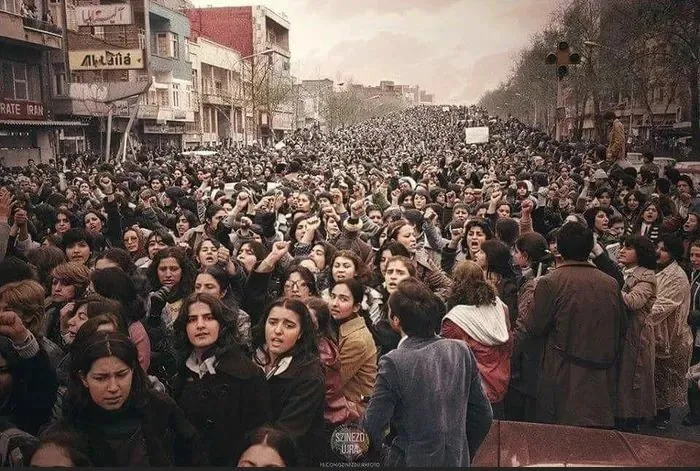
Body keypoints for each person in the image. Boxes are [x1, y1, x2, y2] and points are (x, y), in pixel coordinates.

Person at [363, 278, 493, 467]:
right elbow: (482, 415)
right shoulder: (460, 350)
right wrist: (461, 452)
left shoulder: (394, 362)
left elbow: (372, 427)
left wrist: (389, 458)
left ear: (396, 320)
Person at [46, 331, 208, 466]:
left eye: (121, 375)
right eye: (101, 378)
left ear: (132, 370)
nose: (113, 387)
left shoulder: (161, 408)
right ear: (83, 378)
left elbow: (194, 455)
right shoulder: (70, 426)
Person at [525, 221, 626, 428]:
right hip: (603, 374)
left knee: (561, 436)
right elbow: (621, 328)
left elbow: (535, 326)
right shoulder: (610, 283)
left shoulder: (550, 281)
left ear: (560, 248)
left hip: (562, 374)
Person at [173, 293, 270, 465]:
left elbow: (258, 434)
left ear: (222, 324)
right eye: (192, 320)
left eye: (209, 318)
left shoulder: (247, 374)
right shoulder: (183, 373)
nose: (200, 325)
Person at [251, 298, 325, 465]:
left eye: (289, 325)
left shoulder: (310, 376)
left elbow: (288, 432)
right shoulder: (252, 360)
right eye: (272, 322)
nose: (277, 331)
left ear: (301, 333)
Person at [442, 260, 512, 418]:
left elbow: (452, 363)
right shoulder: (501, 308)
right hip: (500, 387)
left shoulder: (455, 320)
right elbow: (509, 347)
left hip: (470, 397)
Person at [615, 235, 657, 432]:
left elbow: (634, 302)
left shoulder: (646, 276)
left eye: (628, 248)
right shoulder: (625, 271)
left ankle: (632, 422)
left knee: (634, 379)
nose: (622, 250)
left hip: (637, 334)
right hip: (625, 331)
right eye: (622, 246)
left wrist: (610, 286)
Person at [651, 235, 694, 430]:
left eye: (664, 250)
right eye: (658, 248)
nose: (659, 252)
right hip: (658, 335)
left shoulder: (676, 276)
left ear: (673, 253)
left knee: (665, 379)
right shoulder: (658, 269)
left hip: (672, 337)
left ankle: (663, 415)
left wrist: (637, 307)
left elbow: (662, 306)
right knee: (655, 376)